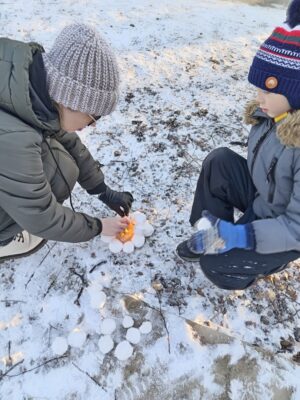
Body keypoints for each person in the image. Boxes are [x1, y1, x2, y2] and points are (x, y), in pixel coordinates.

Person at [176, 0, 300, 289]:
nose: (259, 97)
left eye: (267, 89)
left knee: (215, 265)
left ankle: (268, 259)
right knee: (219, 160)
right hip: (263, 201)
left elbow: (296, 228)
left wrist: (241, 237)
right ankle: (210, 233)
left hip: (286, 228)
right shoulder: (274, 116)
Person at [0, 23, 133, 261]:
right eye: (93, 117)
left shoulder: (30, 83)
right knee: (51, 170)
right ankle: (3, 240)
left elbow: (64, 136)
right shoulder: (13, 138)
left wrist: (103, 191)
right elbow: (42, 216)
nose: (93, 125)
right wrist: (99, 226)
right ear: (71, 101)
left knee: (62, 165)